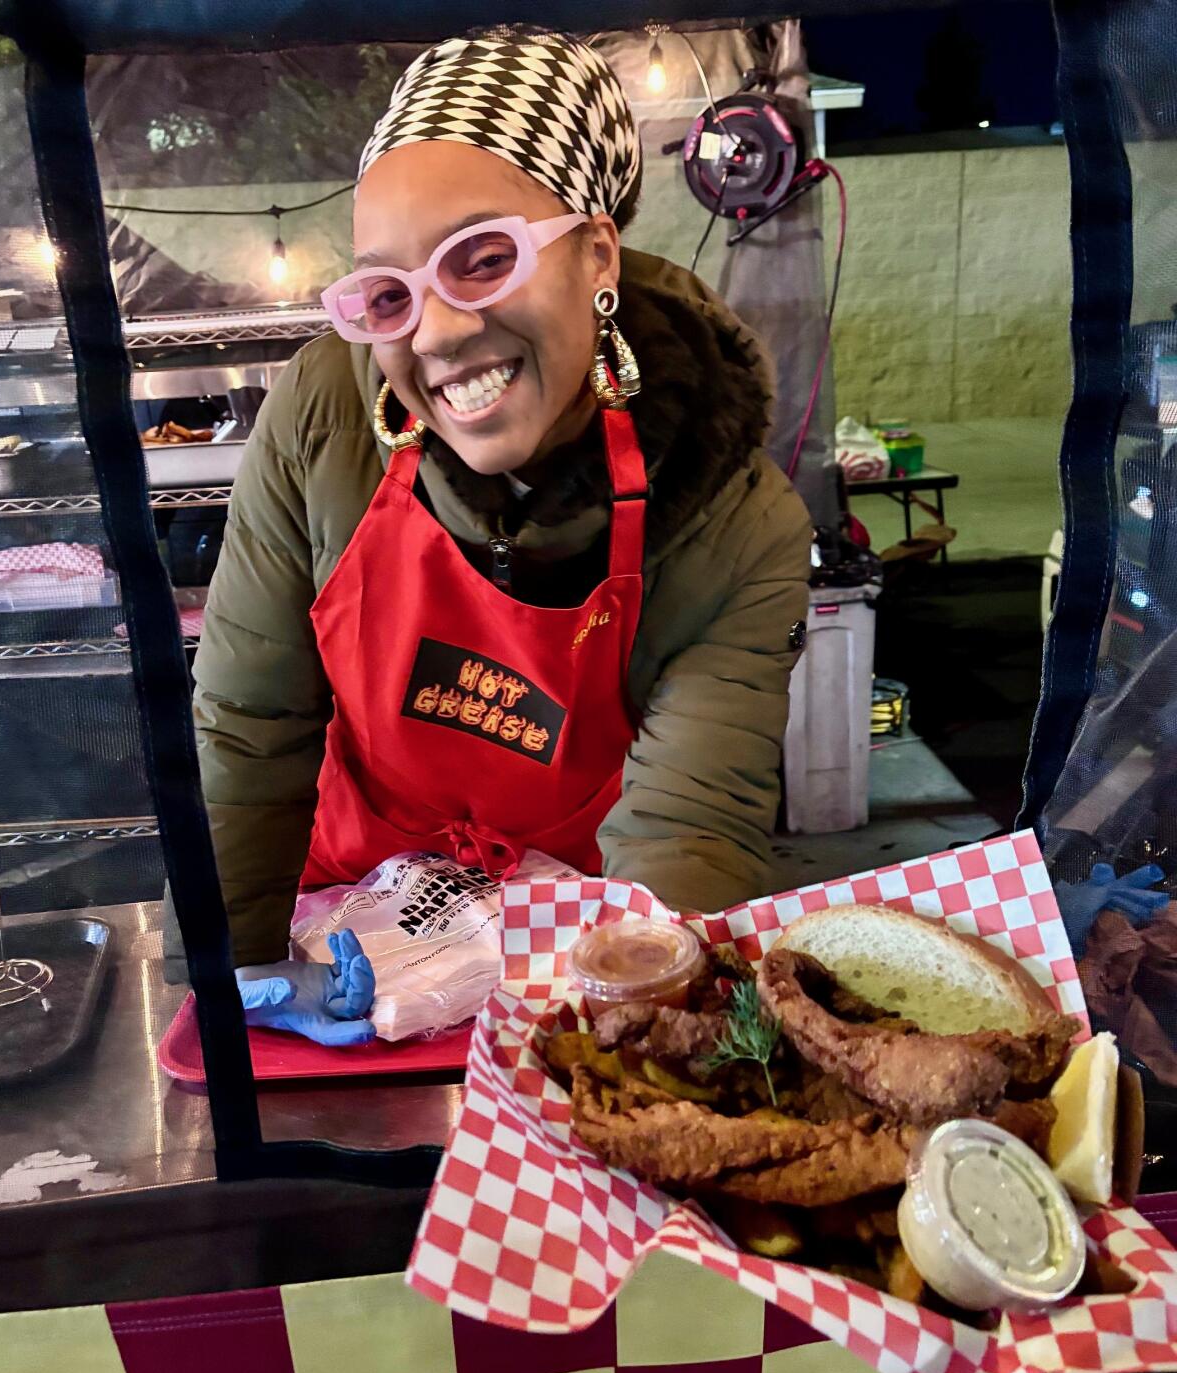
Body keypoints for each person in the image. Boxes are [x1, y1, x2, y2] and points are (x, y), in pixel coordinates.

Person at [191, 30, 813, 1042]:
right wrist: (227, 982)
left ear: (597, 254)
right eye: (389, 294)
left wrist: (632, 1048)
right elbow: (249, 731)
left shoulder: (728, 514)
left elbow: (687, 828)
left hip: (585, 947)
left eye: (484, 260)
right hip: (341, 922)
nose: (433, 333)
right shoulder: (324, 420)